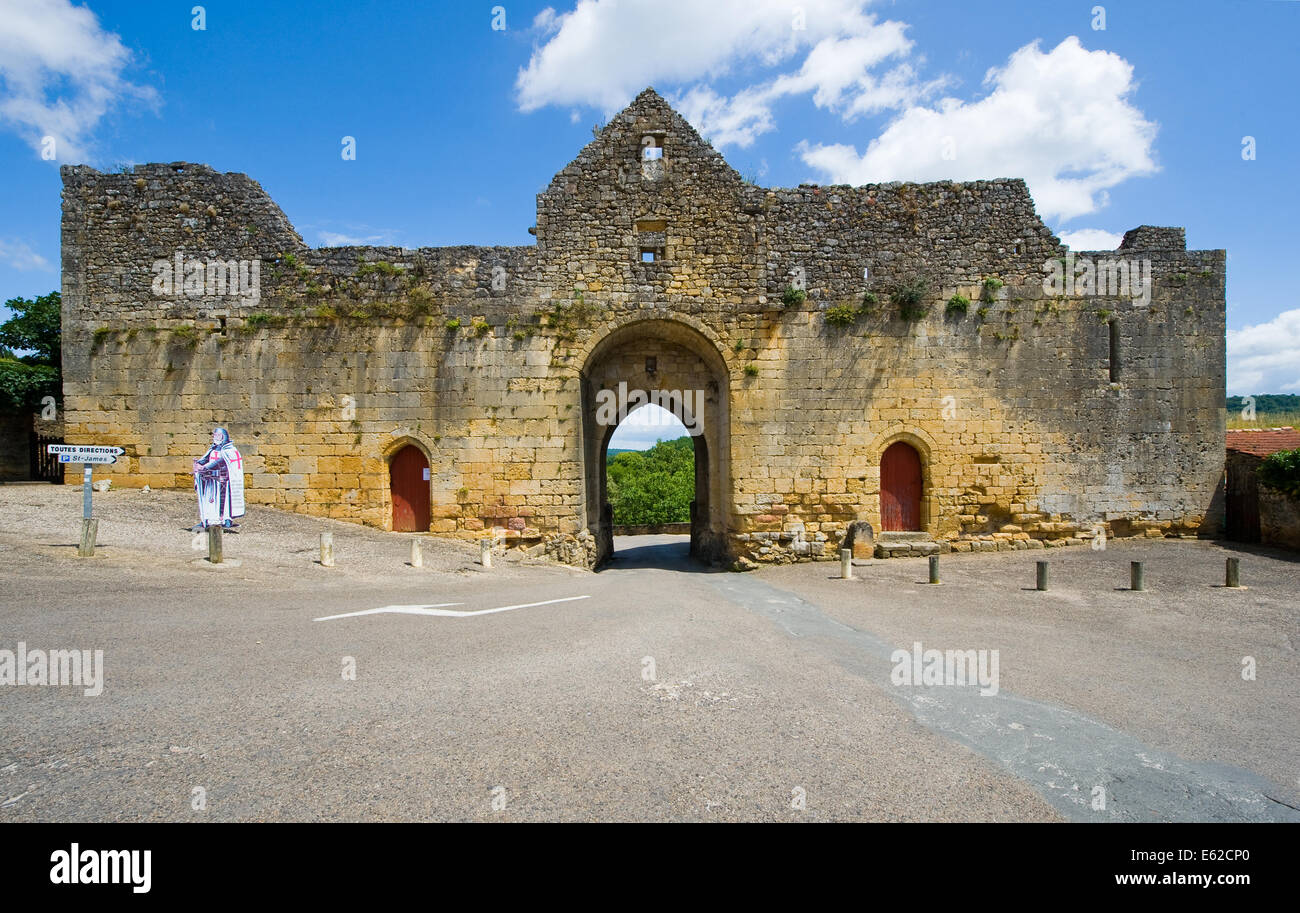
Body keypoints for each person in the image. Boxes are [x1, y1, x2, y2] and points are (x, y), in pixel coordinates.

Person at [191, 427, 246, 531]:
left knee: (224, 503)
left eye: (217, 435)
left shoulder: (230, 450)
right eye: (214, 435)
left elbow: (220, 461)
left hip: (223, 482)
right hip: (211, 481)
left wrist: (205, 467)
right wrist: (198, 465)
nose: (215, 437)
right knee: (210, 500)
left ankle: (226, 520)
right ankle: (209, 520)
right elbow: (205, 459)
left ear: (223, 437)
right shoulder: (213, 449)